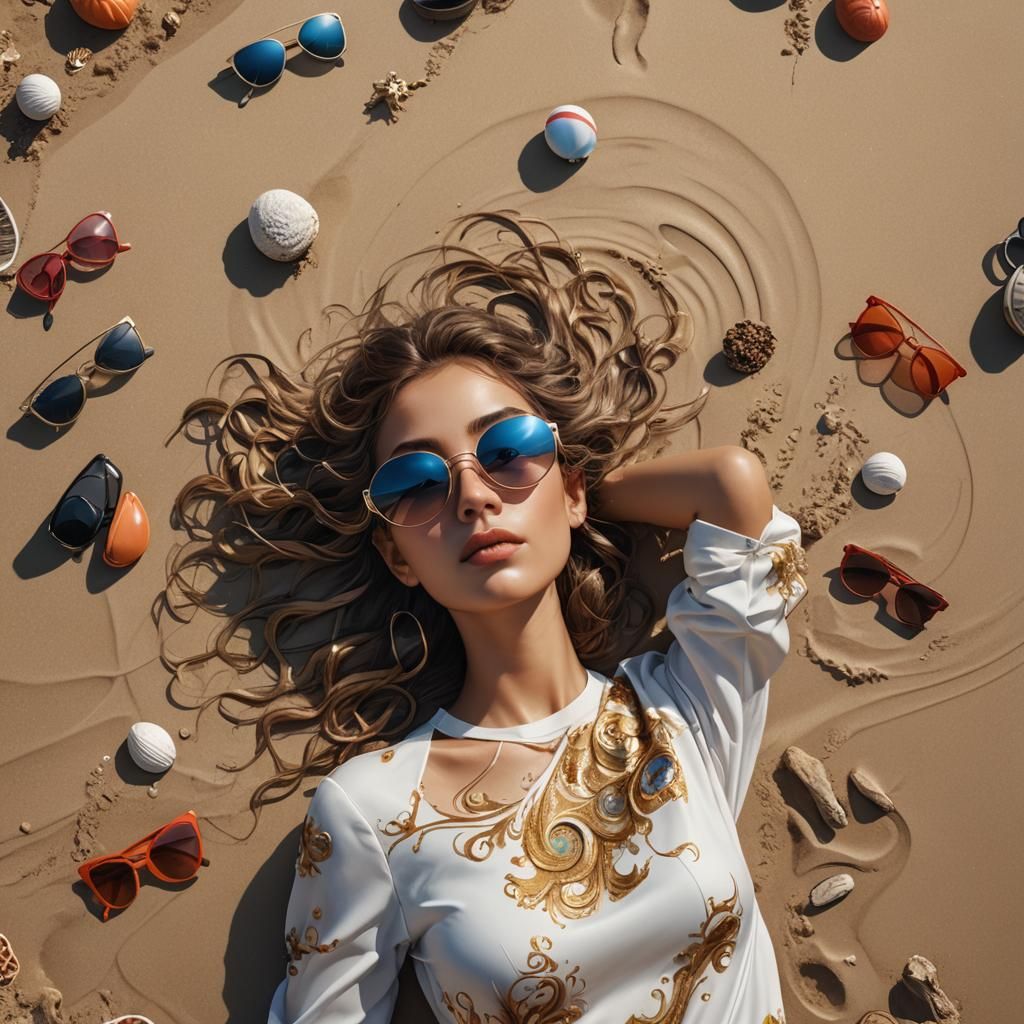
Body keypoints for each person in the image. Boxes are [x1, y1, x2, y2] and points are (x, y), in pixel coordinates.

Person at [163, 212, 806, 1024]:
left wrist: (569, 494)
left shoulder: (685, 714)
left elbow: (733, 490)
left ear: (569, 486)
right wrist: (539, 491)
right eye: (416, 485)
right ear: (398, 555)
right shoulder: (372, 808)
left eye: (505, 450)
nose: (470, 495)